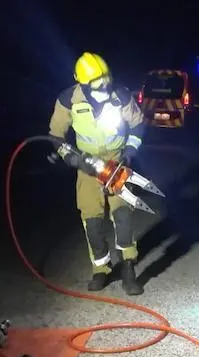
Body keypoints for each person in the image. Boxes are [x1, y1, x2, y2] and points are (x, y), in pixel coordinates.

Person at [47, 52, 145, 295]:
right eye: (97, 82)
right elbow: (56, 135)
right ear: (82, 82)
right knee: (92, 221)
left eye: (106, 79)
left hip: (117, 163)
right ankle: (101, 269)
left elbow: (138, 124)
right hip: (88, 167)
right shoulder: (68, 99)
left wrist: (130, 151)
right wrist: (72, 158)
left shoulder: (120, 96)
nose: (104, 85)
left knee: (123, 217)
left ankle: (128, 269)